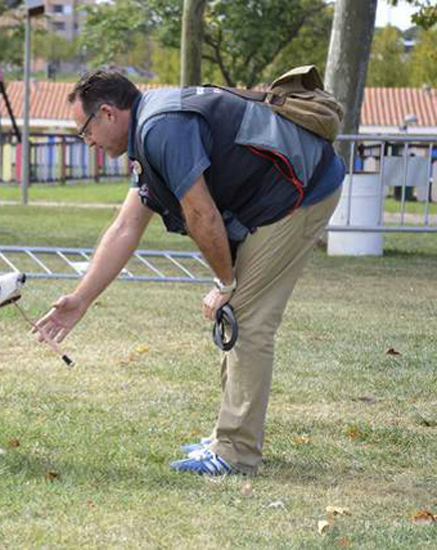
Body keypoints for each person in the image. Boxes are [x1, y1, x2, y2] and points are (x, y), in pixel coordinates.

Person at [34, 70, 345, 476]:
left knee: (247, 320)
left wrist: (225, 284)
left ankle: (236, 452)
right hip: (277, 196)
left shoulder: (162, 127)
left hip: (302, 193)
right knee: (235, 312)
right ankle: (228, 436)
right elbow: (125, 228)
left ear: (107, 113)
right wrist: (81, 299)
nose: (86, 140)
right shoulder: (149, 130)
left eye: (84, 130)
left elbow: (202, 216)